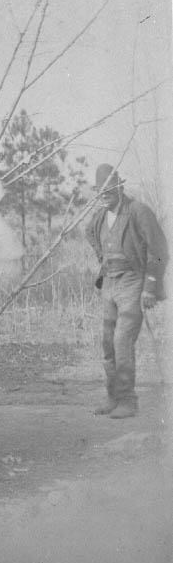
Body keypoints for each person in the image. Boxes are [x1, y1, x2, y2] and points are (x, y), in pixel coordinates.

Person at [84, 164, 168, 419]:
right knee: (107, 342)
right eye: (100, 191)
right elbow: (90, 234)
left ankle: (128, 401)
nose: (104, 195)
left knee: (122, 341)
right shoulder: (99, 217)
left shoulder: (138, 211)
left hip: (132, 282)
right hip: (109, 282)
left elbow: (159, 250)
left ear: (120, 187)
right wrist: (103, 259)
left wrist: (150, 287)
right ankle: (113, 397)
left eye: (109, 190)